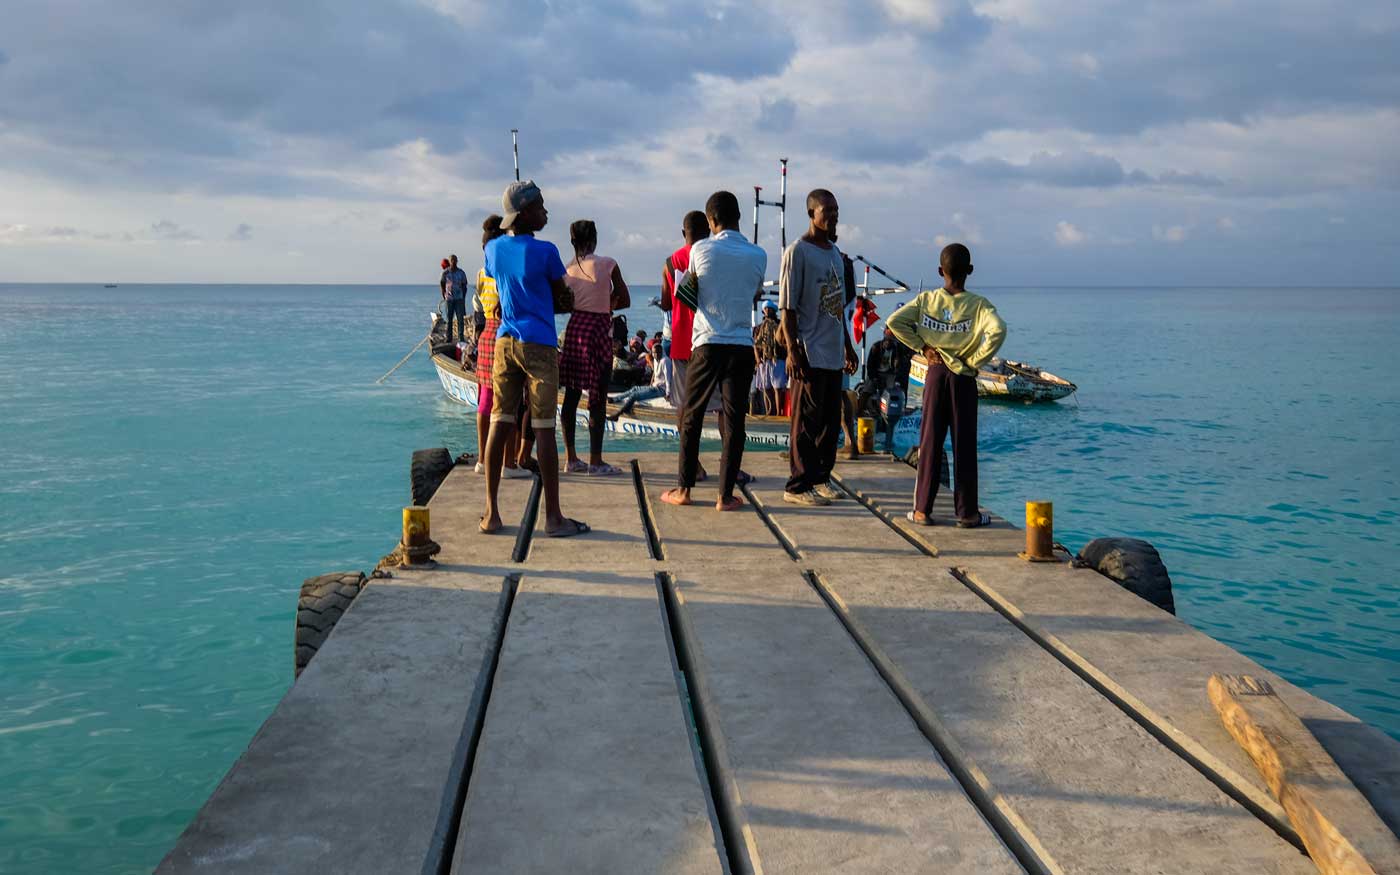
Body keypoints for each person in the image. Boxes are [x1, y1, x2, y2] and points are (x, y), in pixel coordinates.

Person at [479, 180, 589, 538]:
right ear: (526, 212)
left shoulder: (493, 250)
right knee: (543, 427)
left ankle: (492, 513)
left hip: (504, 342)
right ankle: (554, 517)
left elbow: (500, 279)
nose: (546, 211)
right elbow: (561, 295)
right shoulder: (547, 252)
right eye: (541, 206)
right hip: (539, 344)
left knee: (500, 420)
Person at [886, 242, 1006, 528]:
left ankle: (922, 511)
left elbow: (894, 322)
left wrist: (923, 347)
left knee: (929, 441)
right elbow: (998, 330)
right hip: (963, 377)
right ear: (970, 271)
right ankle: (967, 514)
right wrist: (975, 359)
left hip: (936, 373)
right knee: (964, 444)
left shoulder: (927, 301)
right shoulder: (978, 305)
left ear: (940, 271)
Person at [661, 191, 766, 511]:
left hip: (707, 343)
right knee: (735, 421)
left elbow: (694, 289)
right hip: (741, 345)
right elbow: (755, 293)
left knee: (691, 415)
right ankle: (724, 495)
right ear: (738, 217)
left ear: (712, 221)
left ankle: (684, 490)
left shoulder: (700, 248)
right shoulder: (758, 254)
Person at [779, 189, 859, 506]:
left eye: (836, 210)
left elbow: (838, 307)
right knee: (806, 422)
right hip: (809, 349)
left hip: (832, 350)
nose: (833, 216)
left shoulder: (835, 254)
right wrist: (792, 350)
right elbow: (787, 307)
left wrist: (848, 347)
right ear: (812, 213)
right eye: (827, 210)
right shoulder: (798, 252)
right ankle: (797, 486)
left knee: (828, 422)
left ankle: (821, 478)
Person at [558, 219, 630, 475]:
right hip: (598, 329)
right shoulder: (608, 264)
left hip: (575, 329)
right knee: (597, 397)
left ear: (573, 241)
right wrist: (607, 304)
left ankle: (571, 459)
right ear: (594, 239)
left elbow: (562, 304)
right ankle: (596, 461)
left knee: (572, 395)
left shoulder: (566, 269)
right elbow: (625, 298)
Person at [471, 217, 530, 479]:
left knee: (485, 401)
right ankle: (508, 463)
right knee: (510, 402)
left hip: (486, 334)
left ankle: (482, 459)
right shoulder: (506, 269)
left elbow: (481, 303)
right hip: (507, 332)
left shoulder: (481, 273)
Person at [864, 326, 913, 452]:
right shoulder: (876, 347)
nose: (889, 341)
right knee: (867, 390)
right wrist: (874, 379)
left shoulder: (898, 349)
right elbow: (870, 366)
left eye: (892, 338)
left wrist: (897, 383)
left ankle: (889, 421)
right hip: (876, 374)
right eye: (887, 337)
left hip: (891, 375)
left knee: (892, 394)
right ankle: (863, 413)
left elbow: (901, 369)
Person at [752, 300, 787, 415]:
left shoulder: (780, 325)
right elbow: (756, 345)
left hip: (777, 359)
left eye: (769, 309)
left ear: (773, 310)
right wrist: (758, 360)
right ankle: (769, 412)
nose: (767, 311)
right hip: (764, 361)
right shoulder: (759, 328)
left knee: (777, 387)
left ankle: (778, 412)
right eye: (765, 309)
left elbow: (784, 341)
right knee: (766, 388)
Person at [440, 254, 470, 343]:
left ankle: (461, 338)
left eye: (455, 260)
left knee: (460, 319)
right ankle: (449, 338)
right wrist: (444, 294)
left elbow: (465, 285)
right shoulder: (445, 273)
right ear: (449, 262)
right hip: (449, 299)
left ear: (457, 261)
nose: (453, 262)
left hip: (459, 299)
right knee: (449, 319)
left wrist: (463, 296)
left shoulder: (461, 272)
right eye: (452, 260)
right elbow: (442, 283)